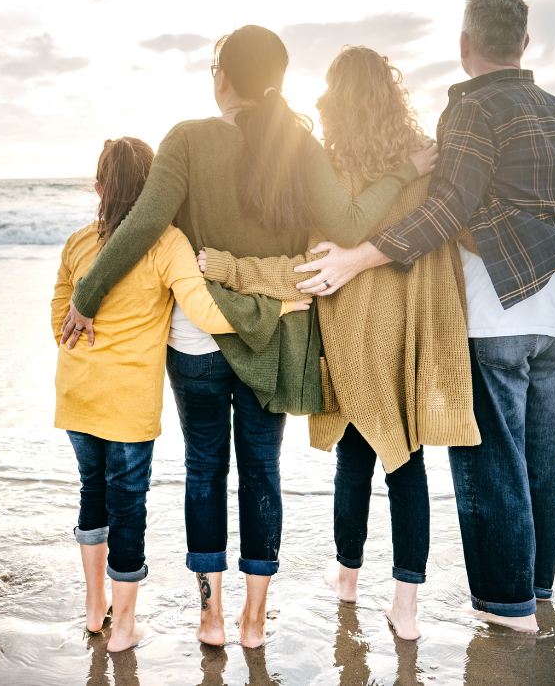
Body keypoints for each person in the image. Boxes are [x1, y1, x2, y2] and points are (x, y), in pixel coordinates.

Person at [59, 25, 438, 647]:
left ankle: (209, 617)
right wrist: (401, 173)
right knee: (261, 472)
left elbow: (140, 228)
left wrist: (86, 295)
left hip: (198, 341)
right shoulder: (299, 144)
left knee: (205, 470)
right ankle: (253, 622)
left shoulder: (185, 139)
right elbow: (348, 223)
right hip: (276, 339)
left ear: (222, 78)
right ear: (279, 81)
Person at [283, 0, 555, 632]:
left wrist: (358, 257)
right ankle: (536, 594)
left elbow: (446, 212)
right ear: (526, 43)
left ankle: (507, 612)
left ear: (464, 46)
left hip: (494, 313)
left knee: (492, 469)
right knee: (545, 469)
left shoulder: (470, 113)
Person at [199, 45, 478, 640]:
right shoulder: (423, 160)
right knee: (407, 462)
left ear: (334, 99)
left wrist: (230, 266)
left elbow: (314, 251)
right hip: (404, 331)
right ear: (390, 95)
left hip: (350, 330)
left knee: (354, 458)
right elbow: (449, 232)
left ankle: (348, 578)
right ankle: (406, 606)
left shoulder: (326, 164)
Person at [51, 136, 309, 652]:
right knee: (140, 502)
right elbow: (208, 311)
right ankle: (142, 626)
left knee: (102, 493)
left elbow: (60, 320)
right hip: (130, 405)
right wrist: (281, 307)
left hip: (81, 396)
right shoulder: (166, 242)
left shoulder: (78, 243)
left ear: (99, 187)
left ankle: (106, 610)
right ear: (155, 190)